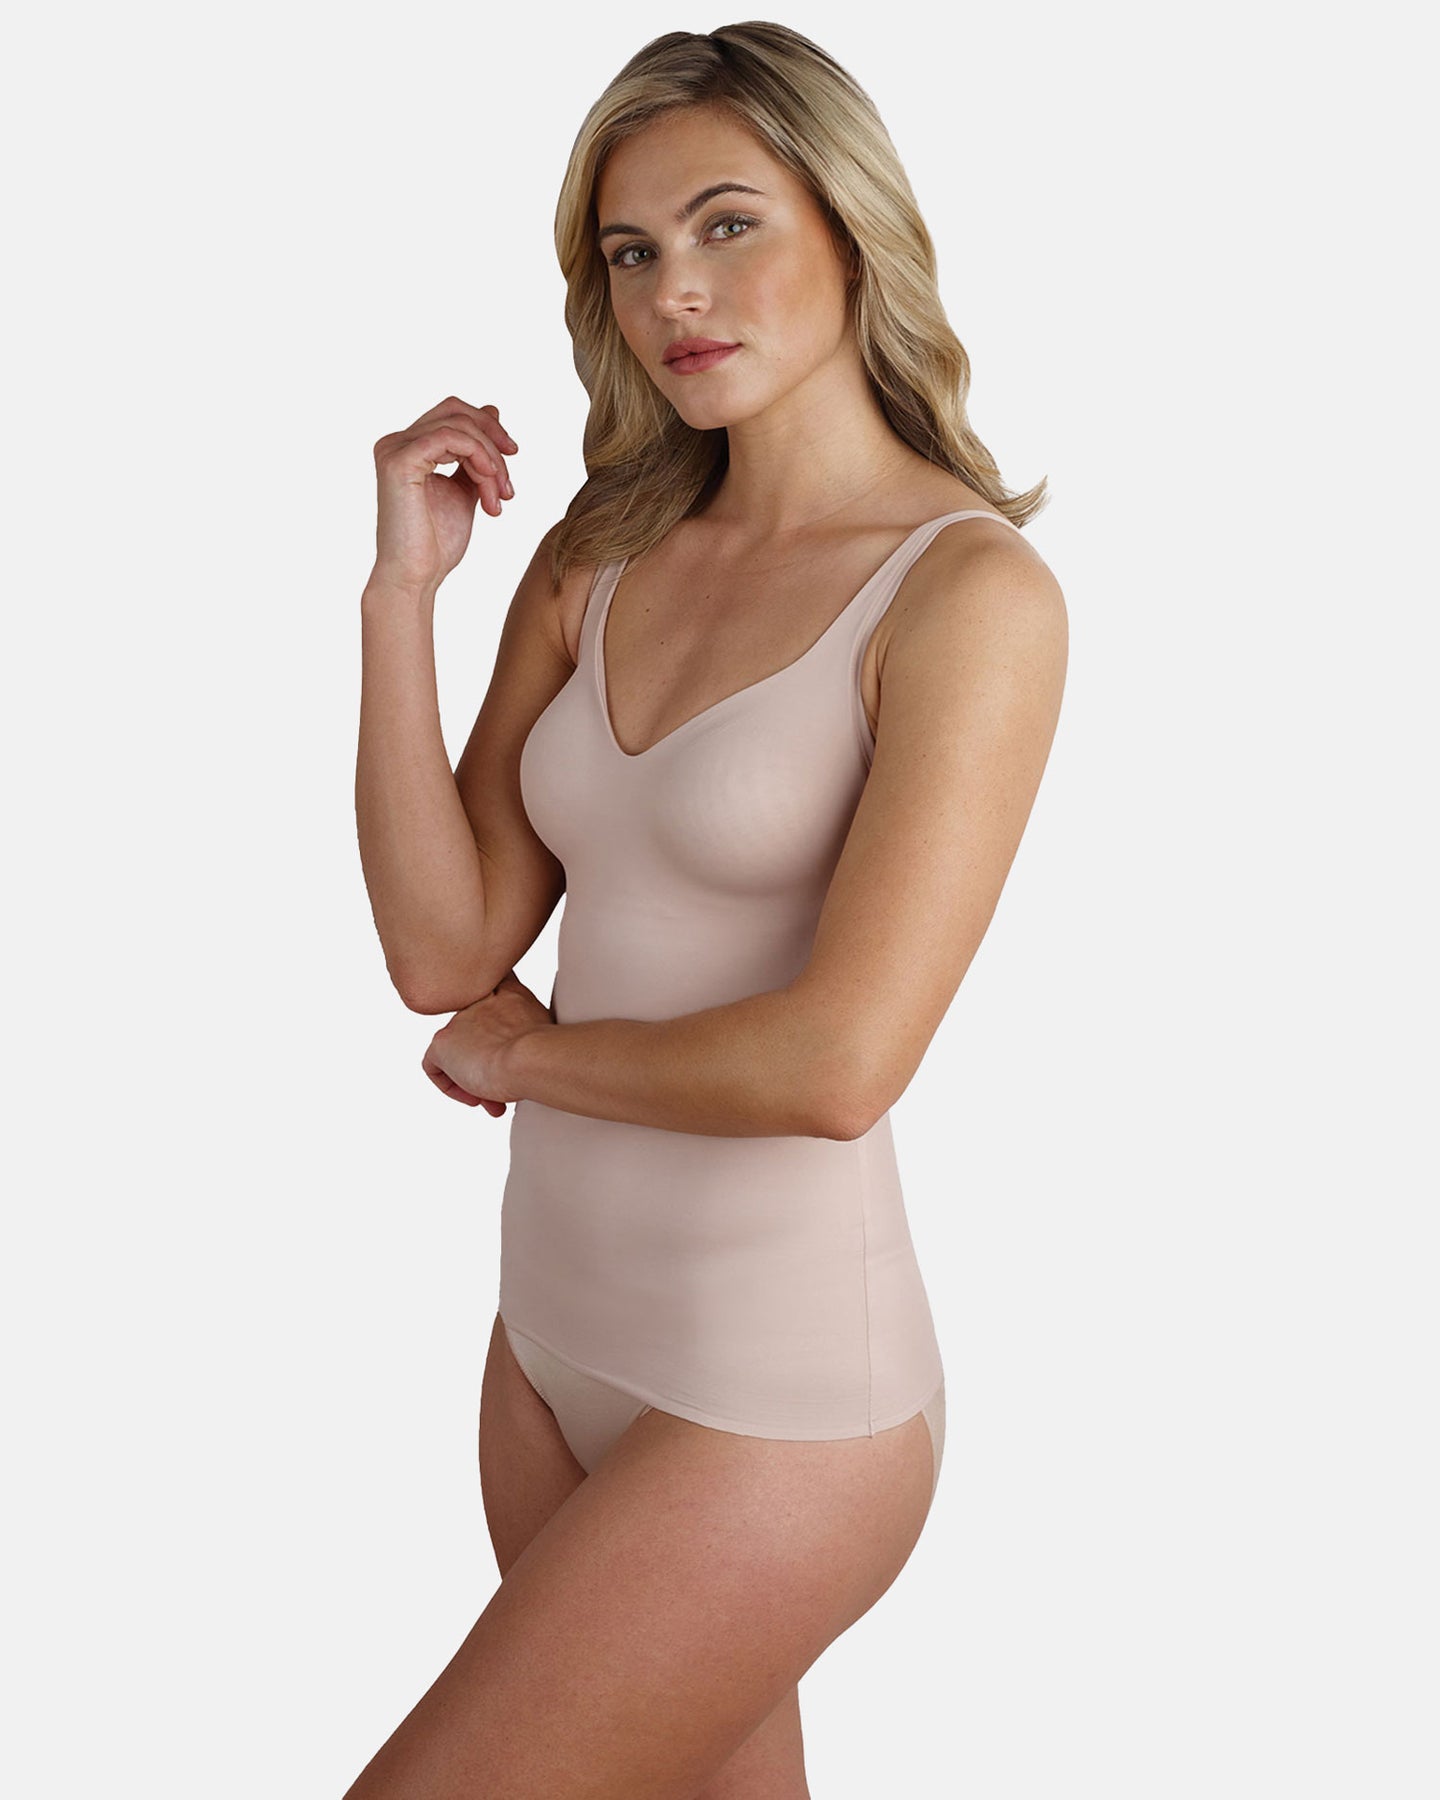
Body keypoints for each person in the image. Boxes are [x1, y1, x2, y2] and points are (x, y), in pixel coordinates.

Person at [348, 21, 1067, 1799]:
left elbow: (838, 1064)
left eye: (728, 224)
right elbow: (445, 950)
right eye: (631, 249)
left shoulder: (966, 596)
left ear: (852, 225)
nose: (675, 289)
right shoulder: (599, 555)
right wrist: (400, 597)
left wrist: (532, 1061)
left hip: (780, 1397)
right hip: (549, 1338)